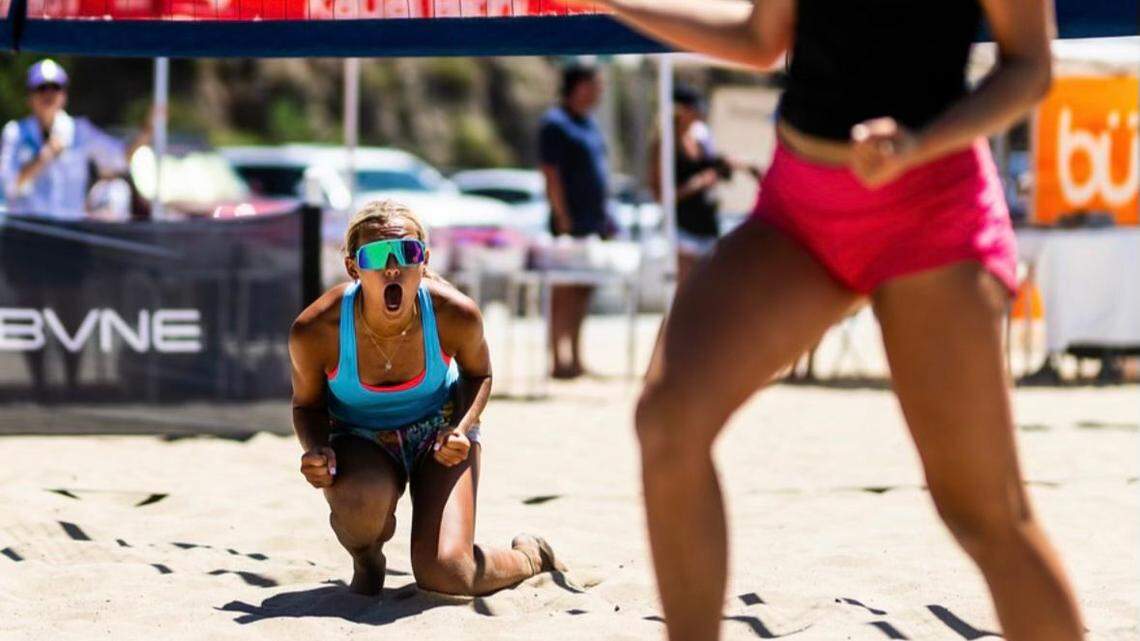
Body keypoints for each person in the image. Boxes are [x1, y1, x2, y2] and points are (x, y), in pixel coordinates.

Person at [561, 1, 1081, 640]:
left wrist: (919, 143)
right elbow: (760, 39)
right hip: (802, 208)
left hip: (931, 207)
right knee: (668, 422)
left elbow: (1029, 67)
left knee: (984, 515)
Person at [288, 200, 564, 596]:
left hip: (439, 429)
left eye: (407, 252)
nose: (393, 267)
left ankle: (531, 556)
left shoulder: (454, 312)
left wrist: (460, 429)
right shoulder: (317, 328)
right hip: (359, 437)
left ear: (425, 259)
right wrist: (317, 450)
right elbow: (307, 405)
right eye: (376, 255)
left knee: (449, 574)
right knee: (362, 507)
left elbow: (479, 374)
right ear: (352, 268)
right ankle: (367, 559)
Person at [0, 59, 152, 220]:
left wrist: (149, 128)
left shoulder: (80, 131)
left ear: (64, 95)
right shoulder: (14, 132)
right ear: (30, 96)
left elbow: (120, 157)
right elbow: (7, 186)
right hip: (26, 228)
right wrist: (44, 156)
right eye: (41, 88)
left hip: (69, 229)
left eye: (55, 87)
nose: (48, 94)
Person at [538, 63, 611, 379]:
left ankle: (577, 356)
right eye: (594, 85)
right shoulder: (556, 123)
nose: (599, 92)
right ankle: (558, 358)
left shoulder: (590, 124)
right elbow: (550, 172)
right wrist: (562, 215)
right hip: (567, 224)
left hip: (592, 223)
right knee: (564, 289)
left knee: (583, 288)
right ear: (578, 86)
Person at [649, 83, 762, 285]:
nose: (700, 113)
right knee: (686, 292)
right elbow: (660, 196)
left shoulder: (700, 140)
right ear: (680, 111)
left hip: (707, 226)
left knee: (710, 291)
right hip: (683, 230)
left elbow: (716, 163)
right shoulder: (664, 145)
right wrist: (699, 183)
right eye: (694, 108)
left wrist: (744, 166)